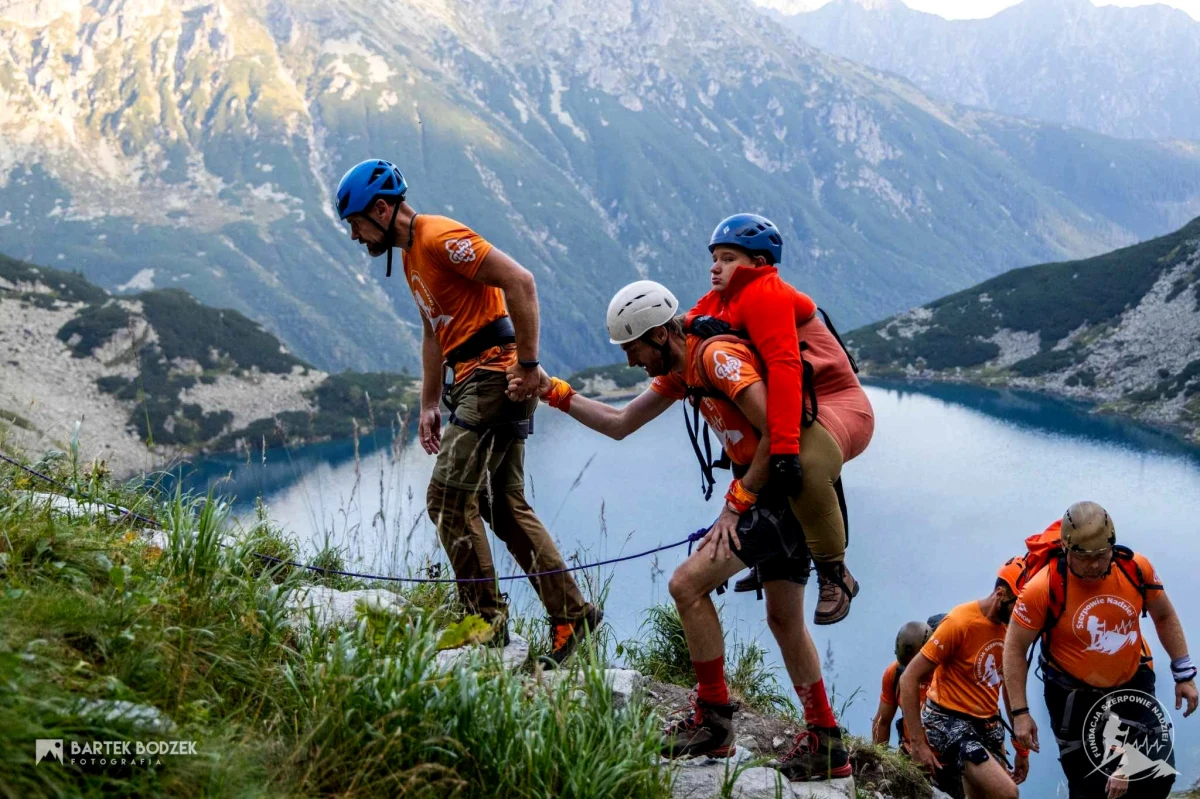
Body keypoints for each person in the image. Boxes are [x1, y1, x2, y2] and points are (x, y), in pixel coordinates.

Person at [511, 280, 851, 781]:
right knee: (783, 619)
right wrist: (554, 393)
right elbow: (621, 422)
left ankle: (714, 721)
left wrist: (737, 504)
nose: (631, 362)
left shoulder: (714, 359)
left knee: (686, 585)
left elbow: (782, 434)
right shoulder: (682, 369)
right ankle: (827, 743)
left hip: (779, 493)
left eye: (634, 349)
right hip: (777, 494)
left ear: (661, 335)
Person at [335, 159, 601, 667]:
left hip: (493, 374)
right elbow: (435, 332)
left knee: (448, 499)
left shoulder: (437, 236)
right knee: (504, 505)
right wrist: (429, 403)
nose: (355, 236)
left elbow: (521, 281)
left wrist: (528, 364)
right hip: (476, 378)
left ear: (382, 209)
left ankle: (485, 624)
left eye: (356, 223)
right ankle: (573, 616)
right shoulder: (413, 256)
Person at [686, 214, 873, 624]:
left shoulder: (765, 293)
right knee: (769, 455)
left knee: (800, 466)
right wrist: (692, 323)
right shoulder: (722, 298)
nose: (715, 266)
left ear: (757, 263)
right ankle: (773, 549)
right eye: (714, 257)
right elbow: (688, 321)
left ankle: (835, 572)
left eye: (728, 257)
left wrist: (785, 449)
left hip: (839, 405)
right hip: (806, 404)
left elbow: (786, 369)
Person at [1003, 502, 1197, 799]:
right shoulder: (1044, 587)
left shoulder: (1135, 569)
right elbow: (1015, 647)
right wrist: (1020, 712)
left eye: (1101, 555)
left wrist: (1183, 673)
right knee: (1090, 787)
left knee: (1156, 772)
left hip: (1133, 680)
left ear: (1113, 546)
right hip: (1072, 695)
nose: (1093, 565)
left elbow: (1164, 615)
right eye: (1084, 557)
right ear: (1067, 549)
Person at [900, 560, 1029, 799]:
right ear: (1000, 594)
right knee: (1007, 793)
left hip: (988, 723)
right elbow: (909, 677)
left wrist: (1021, 748)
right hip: (948, 720)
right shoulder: (960, 622)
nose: (1023, 614)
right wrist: (918, 744)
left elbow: (1010, 688)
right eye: (1018, 606)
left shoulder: (1014, 631)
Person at [872, 620, 934, 753]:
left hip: (949, 761)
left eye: (917, 666)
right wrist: (877, 760)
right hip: (911, 755)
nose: (911, 672)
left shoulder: (948, 673)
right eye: (907, 666)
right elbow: (883, 721)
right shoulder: (895, 673)